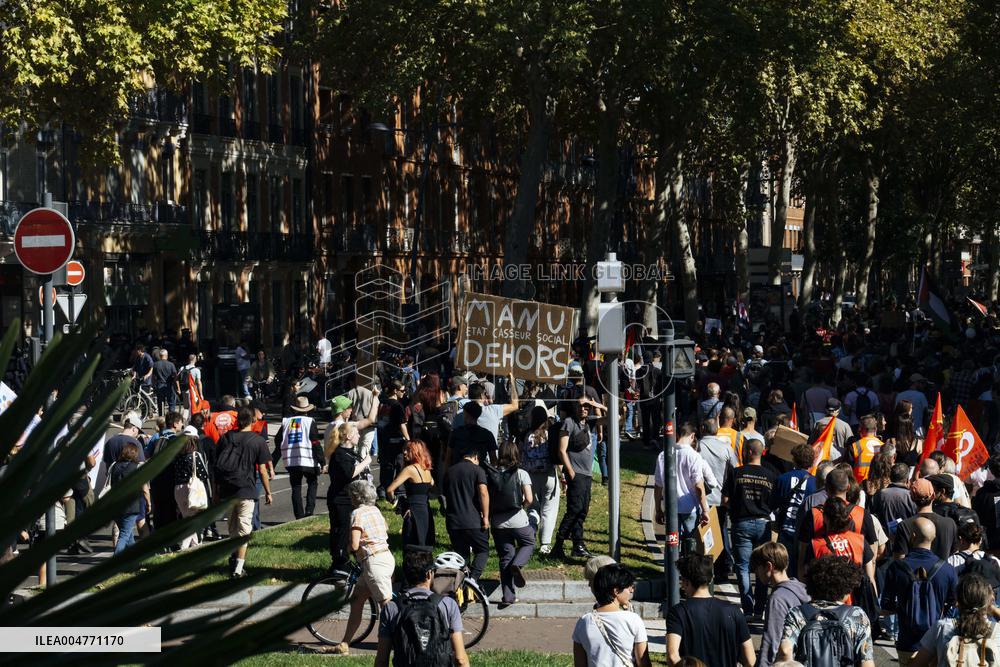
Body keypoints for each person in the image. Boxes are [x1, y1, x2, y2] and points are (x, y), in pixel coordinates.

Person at [373, 547, 469, 667]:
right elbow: (460, 659)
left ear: (406, 575)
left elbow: (382, 660)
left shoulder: (392, 608)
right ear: (429, 574)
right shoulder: (448, 604)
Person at [775, 555, 875, 667]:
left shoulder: (797, 613)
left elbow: (785, 651)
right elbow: (866, 661)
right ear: (846, 588)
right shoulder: (857, 615)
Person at [332, 480, 395, 656]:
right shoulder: (375, 510)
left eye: (351, 494)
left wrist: (346, 549)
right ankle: (345, 643)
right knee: (357, 601)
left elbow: (354, 543)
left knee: (386, 605)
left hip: (373, 563)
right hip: (385, 557)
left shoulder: (357, 513)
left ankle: (398, 641)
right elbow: (385, 528)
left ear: (356, 496)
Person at [883, 516, 959, 660]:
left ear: (912, 536)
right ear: (934, 537)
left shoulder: (896, 567)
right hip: (936, 643)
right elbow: (955, 603)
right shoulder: (947, 569)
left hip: (907, 642)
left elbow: (887, 605)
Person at [214, 406, 273, 578]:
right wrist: (268, 492)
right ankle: (238, 569)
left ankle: (234, 560)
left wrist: (216, 492)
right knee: (244, 530)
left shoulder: (226, 438)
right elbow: (262, 470)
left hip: (227, 490)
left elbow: (216, 467)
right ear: (253, 420)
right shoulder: (257, 441)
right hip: (246, 489)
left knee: (233, 528)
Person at [666, 554, 755, 667]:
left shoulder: (677, 612)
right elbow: (750, 660)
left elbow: (672, 656)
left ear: (685, 581)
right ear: (711, 579)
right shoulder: (734, 611)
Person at [723, 438, 777, 616]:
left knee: (743, 567)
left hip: (741, 523)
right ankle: (759, 608)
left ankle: (747, 608)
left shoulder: (736, 473)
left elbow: (725, 500)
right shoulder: (770, 475)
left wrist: (735, 507)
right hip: (763, 523)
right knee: (763, 565)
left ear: (747, 452)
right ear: (762, 452)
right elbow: (774, 503)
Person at [908, 573, 1000, 666]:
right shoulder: (997, 631)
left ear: (957, 602)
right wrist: (992, 608)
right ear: (988, 601)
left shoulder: (942, 627)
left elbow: (916, 664)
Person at [572, 563, 652, 667]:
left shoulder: (584, 621)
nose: (631, 590)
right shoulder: (633, 620)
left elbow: (579, 663)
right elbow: (643, 662)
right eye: (629, 587)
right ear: (616, 591)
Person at [655, 422, 716, 556]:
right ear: (692, 436)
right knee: (691, 542)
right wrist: (705, 509)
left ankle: (672, 565)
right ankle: (688, 565)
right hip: (690, 507)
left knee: (672, 543)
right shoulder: (694, 456)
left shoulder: (663, 455)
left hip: (670, 507)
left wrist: (658, 509)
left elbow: (658, 486)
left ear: (677, 435)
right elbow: (699, 486)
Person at [487, 440, 535, 608]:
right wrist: (522, 506)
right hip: (518, 520)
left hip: (497, 523)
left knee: (505, 557)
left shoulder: (492, 473)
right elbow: (529, 498)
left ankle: (508, 596)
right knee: (529, 542)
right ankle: (518, 564)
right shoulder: (521, 473)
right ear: (516, 454)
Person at [751, 542, 810, 667]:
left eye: (757, 568)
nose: (756, 573)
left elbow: (771, 641)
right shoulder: (802, 588)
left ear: (768, 566)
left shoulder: (777, 599)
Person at [325, 420, 373, 571]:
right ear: (348, 436)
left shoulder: (350, 452)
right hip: (340, 499)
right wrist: (365, 462)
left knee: (350, 531)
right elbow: (349, 474)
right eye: (356, 433)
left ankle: (347, 562)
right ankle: (339, 563)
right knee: (341, 532)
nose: (359, 435)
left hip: (350, 498)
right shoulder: (339, 454)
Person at [554, 398, 597, 560]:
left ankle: (578, 545)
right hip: (576, 473)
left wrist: (597, 405)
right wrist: (570, 471)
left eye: (586, 406)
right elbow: (561, 450)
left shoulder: (588, 423)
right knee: (574, 509)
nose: (584, 409)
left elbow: (615, 417)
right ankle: (558, 545)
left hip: (587, 474)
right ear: (575, 407)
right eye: (580, 406)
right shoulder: (569, 423)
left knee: (582, 509)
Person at [768, 443, 816, 578]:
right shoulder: (815, 483)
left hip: (785, 531)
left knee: (783, 570)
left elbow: (772, 504)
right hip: (805, 534)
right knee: (802, 572)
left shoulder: (782, 479)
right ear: (812, 462)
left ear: (794, 460)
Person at [442, 446, 490, 583]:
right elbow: (483, 493)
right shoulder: (477, 470)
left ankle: (462, 582)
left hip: (454, 522)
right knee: (482, 551)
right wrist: (486, 517)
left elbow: (444, 494)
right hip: (473, 521)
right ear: (475, 457)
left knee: (461, 555)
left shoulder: (449, 471)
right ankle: (472, 579)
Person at [275, 396, 325, 519]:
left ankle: (299, 515)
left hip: (291, 459)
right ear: (307, 410)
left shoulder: (286, 422)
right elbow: (315, 442)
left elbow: (277, 440)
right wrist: (322, 460)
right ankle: (309, 511)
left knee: (296, 487)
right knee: (312, 483)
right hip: (308, 458)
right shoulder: (309, 421)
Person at [520, 405, 560, 555]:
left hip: (530, 477)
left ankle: (530, 536)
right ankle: (545, 544)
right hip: (549, 475)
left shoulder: (526, 436)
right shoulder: (550, 435)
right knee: (549, 510)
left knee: (533, 508)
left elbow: (521, 456)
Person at [385, 439, 437, 548]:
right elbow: (433, 486)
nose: (404, 452)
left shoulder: (409, 469)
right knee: (424, 541)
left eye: (408, 450)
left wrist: (396, 502)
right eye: (404, 449)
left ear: (416, 452)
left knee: (411, 544)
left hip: (413, 511)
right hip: (426, 510)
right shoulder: (426, 468)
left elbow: (389, 490)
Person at [893, 478, 958, 561]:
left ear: (912, 498)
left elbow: (899, 560)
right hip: (941, 569)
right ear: (933, 496)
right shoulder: (950, 523)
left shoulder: (905, 525)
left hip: (913, 569)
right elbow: (954, 554)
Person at [173, 434, 212, 550]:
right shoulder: (195, 456)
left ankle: (196, 545)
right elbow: (203, 474)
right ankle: (184, 547)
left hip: (178, 489)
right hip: (191, 489)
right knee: (191, 520)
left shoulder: (177, 457)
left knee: (187, 517)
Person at [111, 442, 149, 554]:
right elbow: (145, 489)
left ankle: (135, 559)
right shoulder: (136, 467)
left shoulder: (114, 466)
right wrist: (149, 503)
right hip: (131, 506)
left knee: (129, 536)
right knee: (124, 535)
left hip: (116, 506)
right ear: (134, 454)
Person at [971, 455, 1000, 550]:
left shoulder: (982, 493)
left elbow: (977, 517)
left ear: (991, 470)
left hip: (989, 542)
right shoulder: (982, 492)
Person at [849, 415, 884, 482]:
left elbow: (847, 468)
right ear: (875, 429)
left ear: (860, 429)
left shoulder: (854, 446)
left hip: (859, 484)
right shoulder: (883, 446)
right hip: (878, 484)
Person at [151, 349, 179, 414]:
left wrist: (154, 386)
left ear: (160, 356)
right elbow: (175, 377)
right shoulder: (171, 364)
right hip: (169, 386)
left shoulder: (155, 364)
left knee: (160, 404)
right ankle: (171, 416)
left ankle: (161, 417)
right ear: (166, 355)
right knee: (171, 403)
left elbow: (153, 377)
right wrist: (178, 388)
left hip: (159, 386)